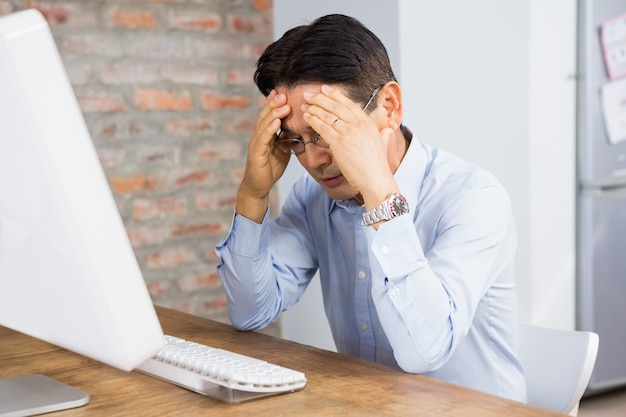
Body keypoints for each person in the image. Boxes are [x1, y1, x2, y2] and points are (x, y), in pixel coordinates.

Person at [215, 14, 527, 402]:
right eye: (295, 140)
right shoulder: (314, 201)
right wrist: (252, 194)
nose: (312, 160)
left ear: (390, 106)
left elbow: (424, 350)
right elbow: (250, 312)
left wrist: (379, 192)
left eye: (327, 131)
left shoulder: (473, 198)